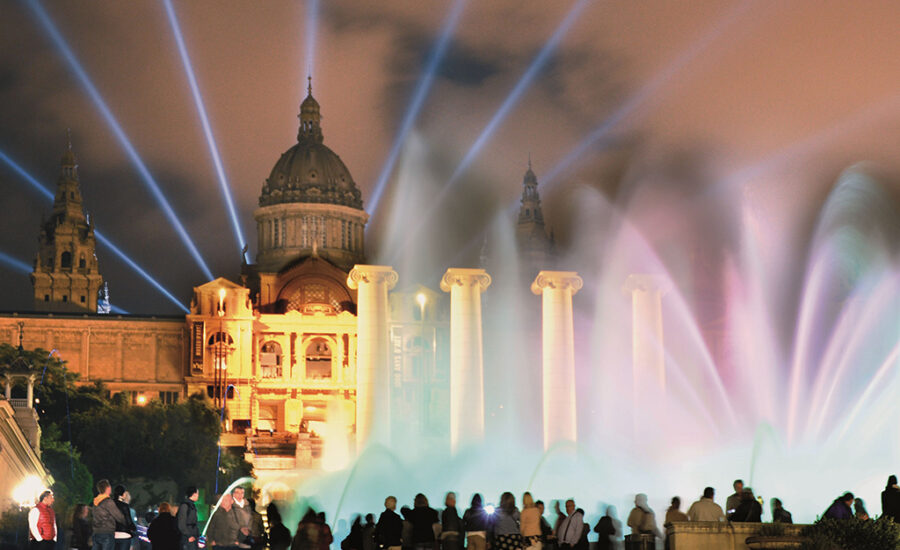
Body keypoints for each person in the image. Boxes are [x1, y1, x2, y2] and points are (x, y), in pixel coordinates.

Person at [93, 480, 126, 550]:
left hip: (96, 533)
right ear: (108, 488)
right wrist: (126, 522)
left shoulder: (95, 502)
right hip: (107, 533)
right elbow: (119, 517)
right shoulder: (108, 502)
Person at [113, 486, 137, 550]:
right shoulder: (125, 506)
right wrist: (134, 528)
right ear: (123, 494)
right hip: (124, 536)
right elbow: (129, 522)